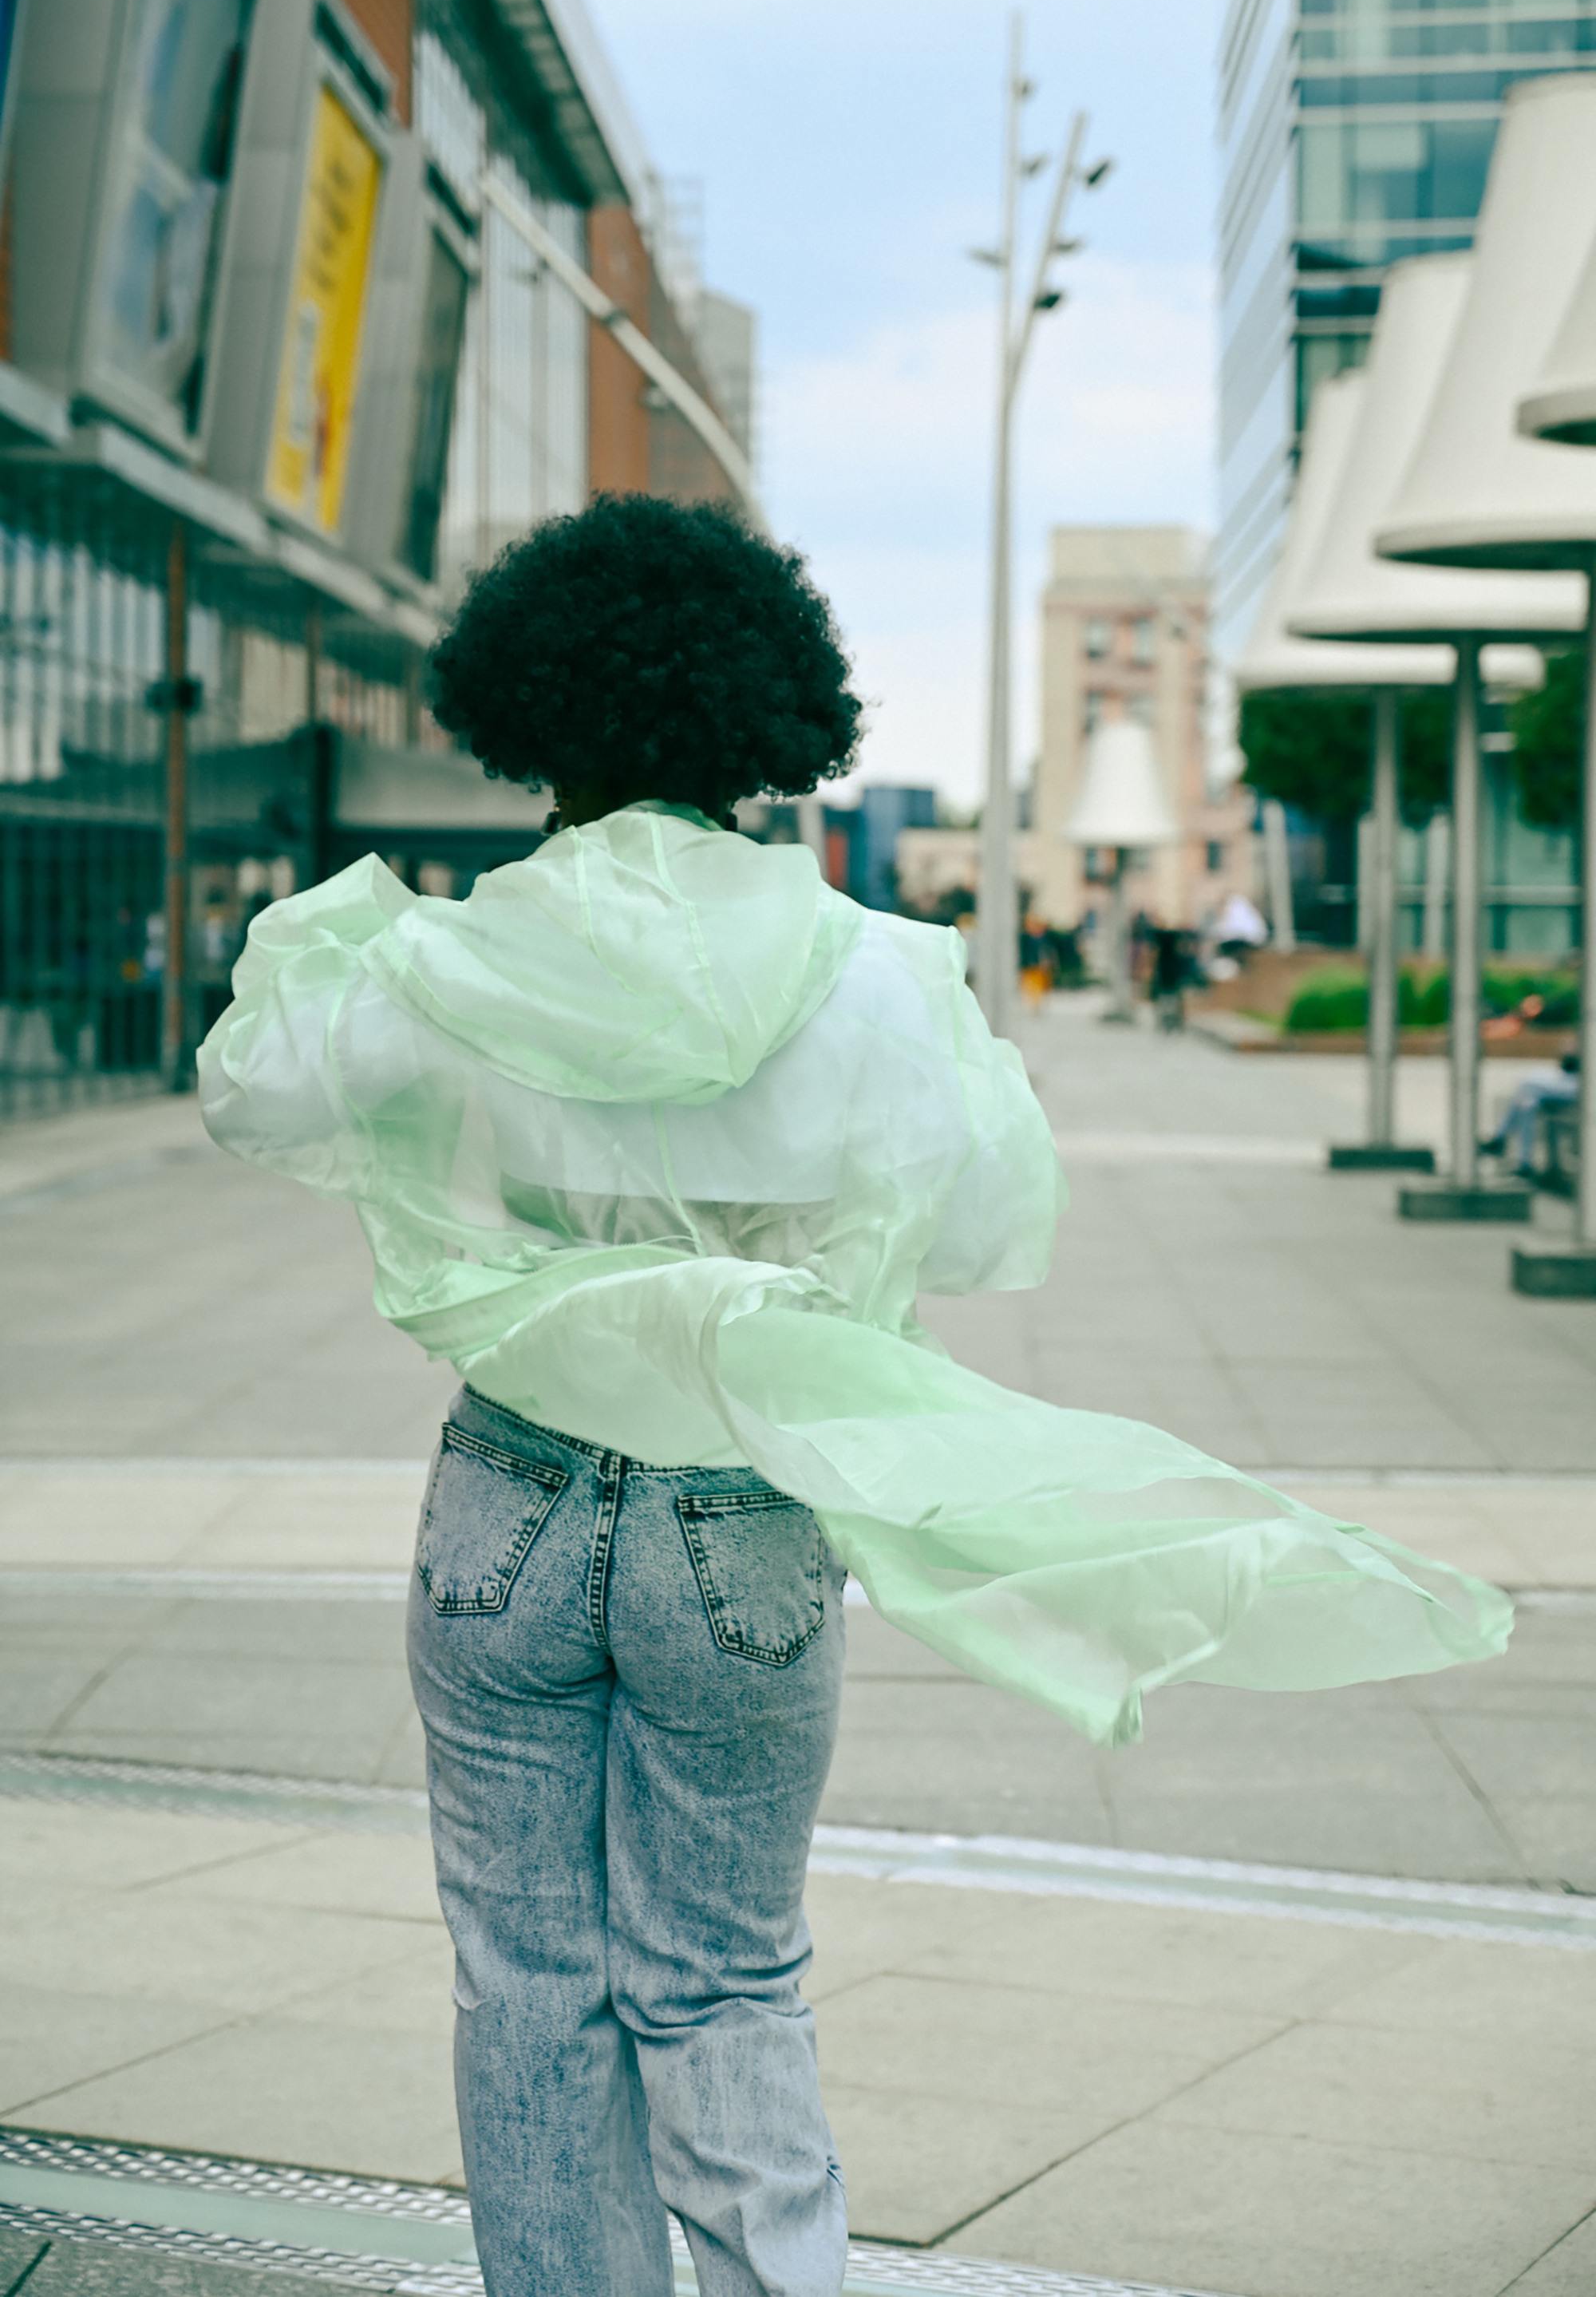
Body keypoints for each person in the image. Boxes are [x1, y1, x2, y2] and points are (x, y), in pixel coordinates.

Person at [198, 495, 1508, 2297]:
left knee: (524, 1978)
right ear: (772, 716)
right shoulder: (883, 971)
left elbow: (255, 1102)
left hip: (504, 1503)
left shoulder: (434, 956)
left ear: (524, 710)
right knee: (724, 1969)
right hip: (743, 1509)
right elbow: (979, 1230)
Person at [1481, 1050, 1579, 1175]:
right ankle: (1522, 1161)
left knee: (1529, 1086)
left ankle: (1502, 1140)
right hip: (1574, 1080)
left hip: (1583, 1086)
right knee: (1529, 1104)